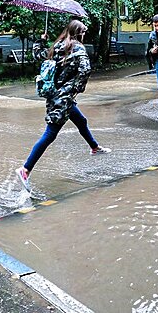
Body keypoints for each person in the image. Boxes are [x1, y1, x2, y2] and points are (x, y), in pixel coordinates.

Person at [16, 19, 111, 192]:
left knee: (81, 121)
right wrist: (76, 89)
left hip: (55, 95)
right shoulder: (77, 48)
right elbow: (85, 69)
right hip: (63, 98)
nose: (84, 35)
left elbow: (37, 55)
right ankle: (25, 170)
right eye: (83, 32)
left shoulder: (58, 45)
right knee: (50, 133)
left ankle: (94, 147)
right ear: (78, 32)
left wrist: (41, 40)